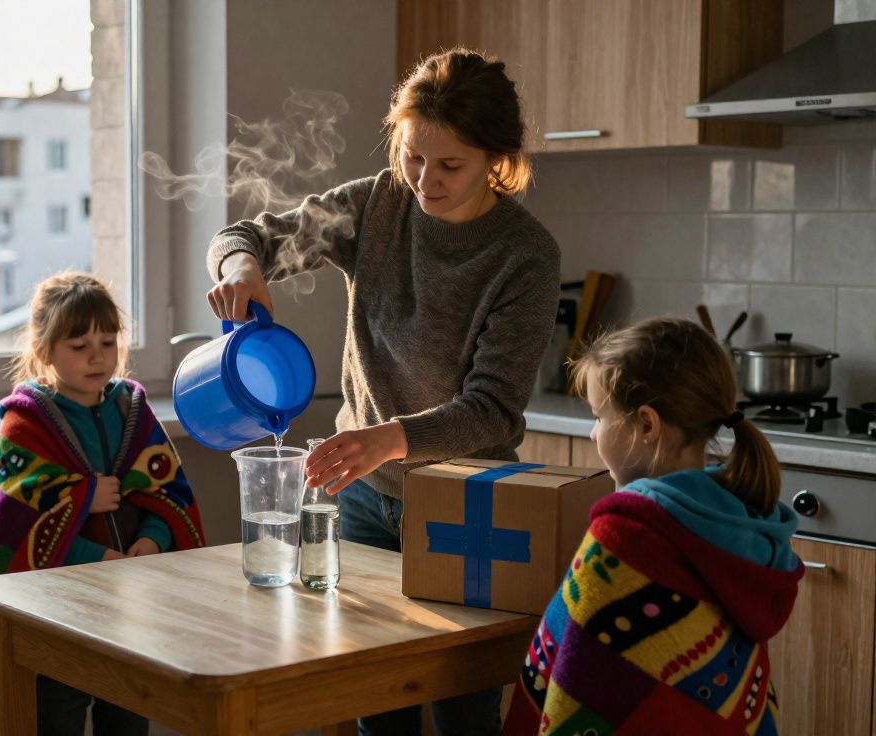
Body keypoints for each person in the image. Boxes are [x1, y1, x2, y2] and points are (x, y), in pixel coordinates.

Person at [207, 48, 559, 735]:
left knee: (462, 709)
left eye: (449, 165)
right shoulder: (375, 203)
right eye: (412, 155)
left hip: (468, 506)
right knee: (379, 707)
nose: (424, 180)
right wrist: (244, 265)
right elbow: (246, 234)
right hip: (365, 502)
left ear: (496, 158)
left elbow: (492, 408)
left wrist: (388, 439)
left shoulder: (525, 254)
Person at [503, 317, 803, 735]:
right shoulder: (739, 520)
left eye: (599, 417)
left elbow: (578, 675)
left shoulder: (626, 537)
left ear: (646, 424)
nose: (593, 434)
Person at [0, 271, 206, 732]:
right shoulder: (25, 425)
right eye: (79, 345)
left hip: (131, 613)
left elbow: (167, 496)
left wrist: (149, 542)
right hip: (57, 615)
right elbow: (12, 526)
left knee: (128, 716)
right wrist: (89, 519)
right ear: (45, 349)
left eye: (107, 342)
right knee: (56, 716)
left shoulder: (133, 410)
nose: (97, 356)